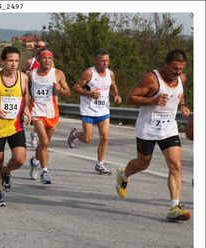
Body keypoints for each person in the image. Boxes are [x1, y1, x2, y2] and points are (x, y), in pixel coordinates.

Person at [115, 49, 192, 221]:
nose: (178, 73)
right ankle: (124, 175)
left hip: (168, 128)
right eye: (174, 69)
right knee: (143, 164)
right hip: (147, 128)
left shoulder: (181, 78)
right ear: (166, 65)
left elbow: (179, 94)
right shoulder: (151, 79)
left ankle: (174, 207)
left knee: (175, 165)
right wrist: (153, 100)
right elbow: (130, 98)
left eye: (181, 69)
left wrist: (183, 106)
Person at [0, 46, 31, 206]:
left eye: (16, 61)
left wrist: (27, 108)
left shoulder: (23, 78)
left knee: (20, 159)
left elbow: (25, 94)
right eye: (10, 61)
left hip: (15, 126)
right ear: (3, 61)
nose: (14, 64)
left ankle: (6, 171)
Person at [67, 49, 122, 175]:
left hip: (103, 110)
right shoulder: (89, 73)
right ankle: (75, 134)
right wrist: (89, 93)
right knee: (87, 139)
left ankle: (100, 164)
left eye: (107, 60)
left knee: (104, 137)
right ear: (96, 61)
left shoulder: (110, 73)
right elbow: (76, 87)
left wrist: (116, 96)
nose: (105, 63)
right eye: (102, 61)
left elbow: (113, 87)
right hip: (88, 110)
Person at [28, 49, 71, 184]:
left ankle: (35, 161)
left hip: (52, 113)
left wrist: (60, 89)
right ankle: (44, 172)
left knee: (43, 144)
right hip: (37, 112)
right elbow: (22, 89)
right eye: (44, 58)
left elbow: (68, 92)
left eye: (49, 58)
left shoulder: (57, 74)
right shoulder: (31, 74)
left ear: (53, 60)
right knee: (44, 142)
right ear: (38, 60)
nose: (47, 60)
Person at [24, 40, 49, 148]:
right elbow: (23, 73)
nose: (40, 48)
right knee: (32, 114)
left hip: (45, 93)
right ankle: (34, 133)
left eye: (42, 46)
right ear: (35, 48)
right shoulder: (31, 61)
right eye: (38, 46)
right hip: (32, 90)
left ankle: (35, 134)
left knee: (39, 115)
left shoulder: (49, 62)